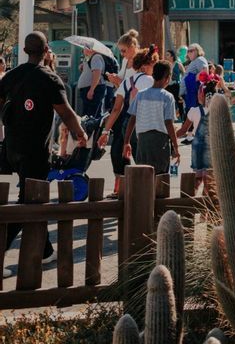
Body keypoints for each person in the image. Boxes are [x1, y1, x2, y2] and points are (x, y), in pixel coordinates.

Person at [0, 31, 87, 274]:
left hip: (12, 149)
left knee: (34, 197)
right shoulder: (49, 78)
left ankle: (46, 252)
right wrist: (80, 134)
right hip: (35, 151)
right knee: (28, 202)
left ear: (26, 51)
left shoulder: (11, 76)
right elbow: (66, 111)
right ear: (47, 48)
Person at [97, 32, 141, 197]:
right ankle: (121, 186)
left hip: (131, 107)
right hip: (121, 104)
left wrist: (119, 82)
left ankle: (134, 185)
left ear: (132, 47)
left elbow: (134, 86)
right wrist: (115, 79)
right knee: (118, 149)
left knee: (133, 148)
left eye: (123, 51)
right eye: (120, 51)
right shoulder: (125, 61)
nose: (122, 54)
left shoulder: (139, 63)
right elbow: (124, 82)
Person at [123, 60, 180, 176]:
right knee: (160, 175)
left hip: (142, 140)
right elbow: (169, 123)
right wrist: (175, 146)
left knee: (143, 174)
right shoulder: (168, 97)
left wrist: (127, 142)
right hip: (160, 140)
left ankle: (144, 194)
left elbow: (132, 119)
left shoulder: (141, 95)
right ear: (167, 78)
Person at [76, 45, 107, 119]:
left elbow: (97, 73)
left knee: (93, 115)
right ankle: (88, 130)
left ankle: (93, 130)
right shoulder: (89, 58)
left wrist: (92, 90)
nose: (83, 50)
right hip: (89, 89)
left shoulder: (96, 57)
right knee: (88, 115)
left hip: (94, 89)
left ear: (90, 49)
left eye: (84, 48)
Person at [167, 49, 185, 120]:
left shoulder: (178, 64)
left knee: (179, 102)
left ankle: (183, 119)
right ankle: (169, 120)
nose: (166, 56)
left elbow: (184, 74)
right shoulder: (166, 64)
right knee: (168, 102)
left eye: (168, 55)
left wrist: (182, 83)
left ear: (172, 56)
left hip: (176, 86)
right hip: (167, 86)